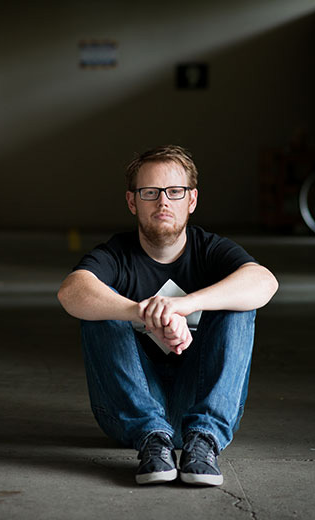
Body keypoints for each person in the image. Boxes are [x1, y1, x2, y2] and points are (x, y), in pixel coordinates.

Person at [57, 145, 278, 486]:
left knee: (238, 301)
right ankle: (152, 440)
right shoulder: (116, 254)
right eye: (151, 193)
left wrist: (182, 305)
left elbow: (264, 282)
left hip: (200, 409)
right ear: (133, 202)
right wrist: (142, 311)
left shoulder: (210, 250)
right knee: (99, 301)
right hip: (130, 414)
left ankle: (203, 443)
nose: (163, 202)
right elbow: (71, 291)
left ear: (191, 200)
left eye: (175, 192)